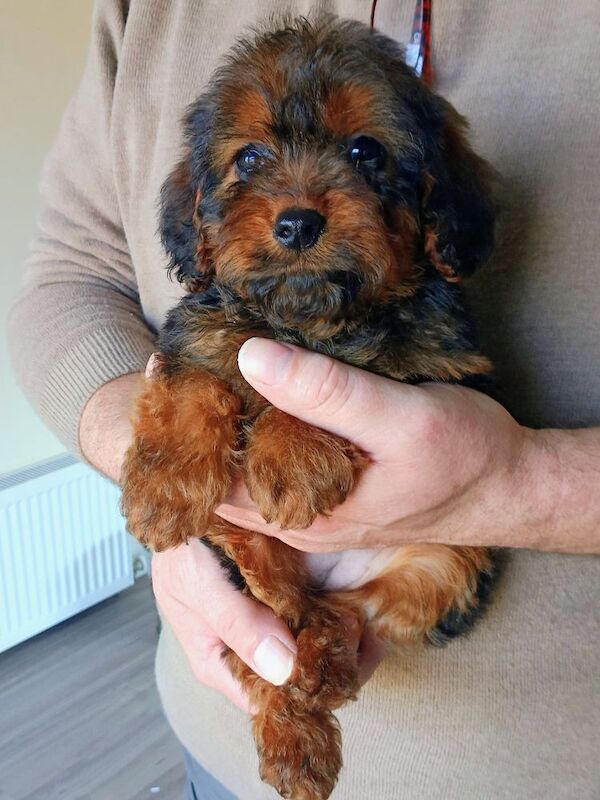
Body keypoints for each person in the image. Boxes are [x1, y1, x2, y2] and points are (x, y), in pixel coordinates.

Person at [8, 1, 600, 798]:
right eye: (250, 164)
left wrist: (518, 484)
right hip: (211, 750)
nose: (296, 207)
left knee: (438, 571)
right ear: (203, 219)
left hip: (539, 763)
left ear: (432, 205)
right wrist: (152, 446)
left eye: (362, 153)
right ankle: (283, 686)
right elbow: (70, 277)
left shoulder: (420, 315)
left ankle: (325, 638)